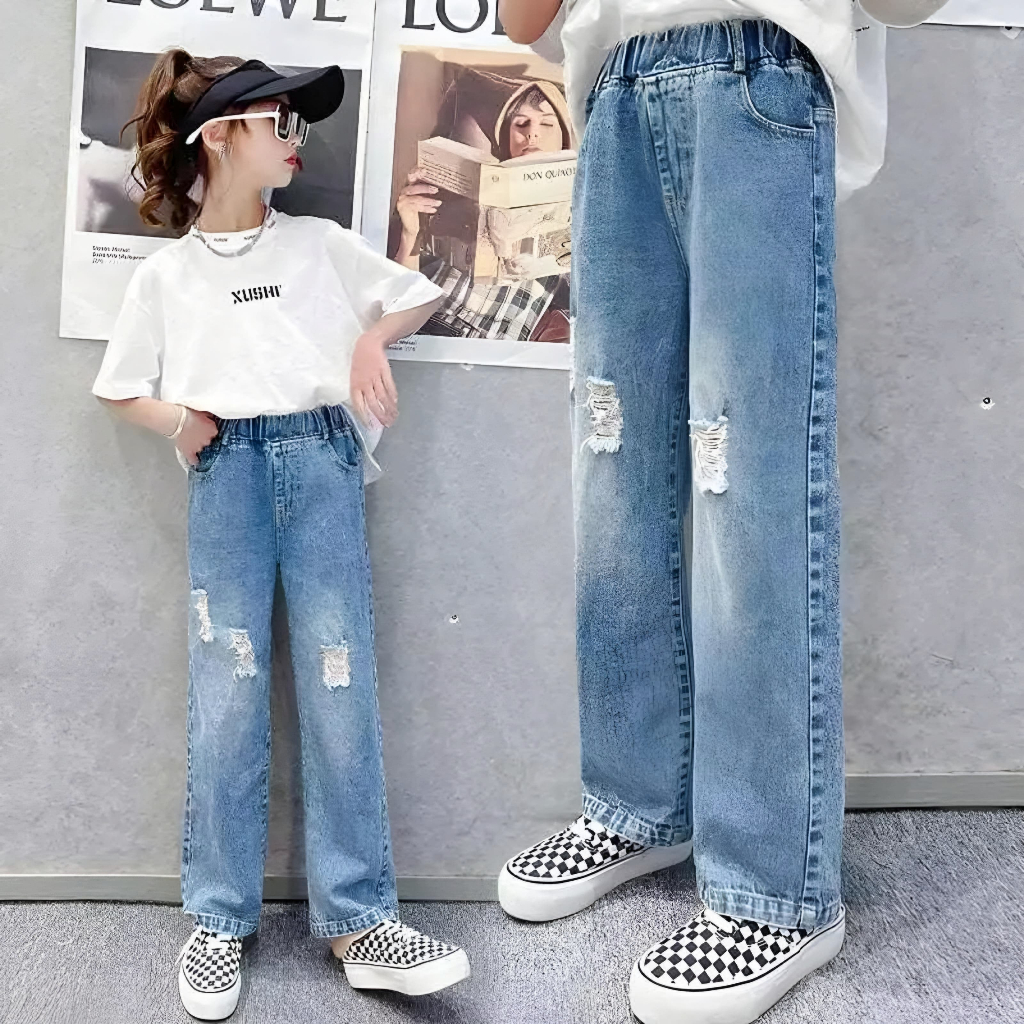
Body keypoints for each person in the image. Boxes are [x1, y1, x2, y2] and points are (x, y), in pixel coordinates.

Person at [494, 1, 944, 1022]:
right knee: (613, 479)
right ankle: (638, 802)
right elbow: (526, 20)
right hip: (613, 93)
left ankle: (775, 890)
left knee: (749, 486)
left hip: (755, 70)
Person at [90, 50, 470, 1020]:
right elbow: (118, 389)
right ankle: (220, 919)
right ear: (220, 135)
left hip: (321, 461)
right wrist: (183, 422)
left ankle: (359, 920)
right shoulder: (168, 276)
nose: (297, 139)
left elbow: (418, 293)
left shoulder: (317, 245)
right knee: (228, 689)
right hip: (227, 474)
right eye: (279, 122)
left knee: (341, 683)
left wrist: (369, 339)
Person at [391, 76, 573, 342]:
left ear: (564, 137)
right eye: (520, 123)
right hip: (426, 329)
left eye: (546, 123)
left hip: (496, 349)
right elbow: (398, 305)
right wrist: (410, 233)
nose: (532, 133)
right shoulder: (466, 185)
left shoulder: (583, 208)